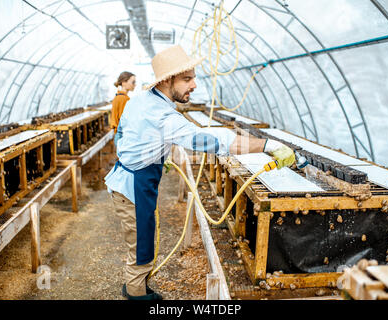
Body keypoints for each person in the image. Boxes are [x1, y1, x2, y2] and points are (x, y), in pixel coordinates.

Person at [104, 45, 295, 300]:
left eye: (193, 77)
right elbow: (207, 140)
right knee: (141, 241)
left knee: (145, 234)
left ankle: (138, 285)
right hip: (133, 186)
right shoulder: (162, 115)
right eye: (187, 79)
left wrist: (154, 157)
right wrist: (266, 145)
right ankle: (136, 294)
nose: (194, 84)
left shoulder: (140, 100)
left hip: (130, 176)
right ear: (167, 80)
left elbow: (123, 135)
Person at [111, 71, 136, 146]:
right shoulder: (123, 99)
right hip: (123, 136)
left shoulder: (119, 97)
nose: (135, 85)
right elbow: (125, 121)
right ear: (123, 83)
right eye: (133, 82)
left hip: (120, 135)